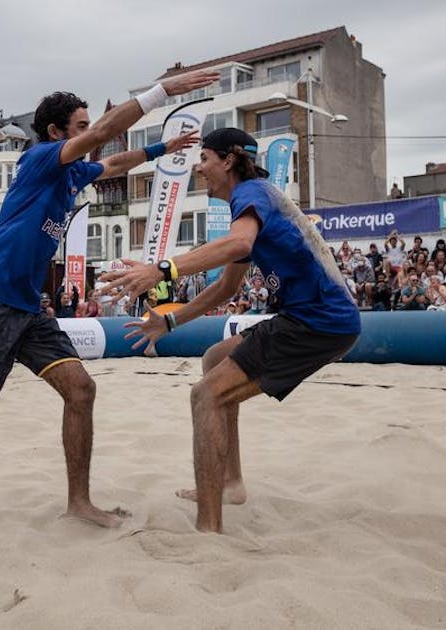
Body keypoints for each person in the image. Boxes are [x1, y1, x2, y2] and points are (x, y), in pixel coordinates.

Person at [0, 68, 221, 528]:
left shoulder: (72, 173)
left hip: (27, 306)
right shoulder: (41, 158)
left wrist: (166, 148)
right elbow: (105, 132)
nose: (90, 135)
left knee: (81, 389)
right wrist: (161, 93)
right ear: (55, 132)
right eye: (79, 128)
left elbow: (117, 163)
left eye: (86, 126)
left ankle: (78, 502)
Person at [97, 127, 360, 533]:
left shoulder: (250, 194)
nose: (200, 169)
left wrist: (162, 269)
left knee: (205, 396)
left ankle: (208, 529)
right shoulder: (254, 206)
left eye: (204, 159)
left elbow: (237, 247)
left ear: (229, 160)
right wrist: (168, 322)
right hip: (316, 318)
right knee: (215, 358)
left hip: (317, 322)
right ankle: (230, 483)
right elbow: (227, 287)